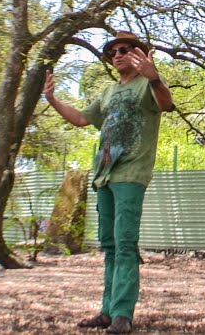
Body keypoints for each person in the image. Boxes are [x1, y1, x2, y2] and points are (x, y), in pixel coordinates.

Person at [44, 30, 175, 335]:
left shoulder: (147, 85)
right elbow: (79, 119)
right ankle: (107, 311)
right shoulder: (107, 92)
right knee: (110, 246)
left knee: (126, 244)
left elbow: (167, 104)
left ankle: (122, 316)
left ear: (137, 54)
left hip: (131, 174)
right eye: (111, 52)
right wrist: (51, 99)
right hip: (103, 175)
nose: (116, 55)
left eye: (123, 49)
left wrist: (154, 76)